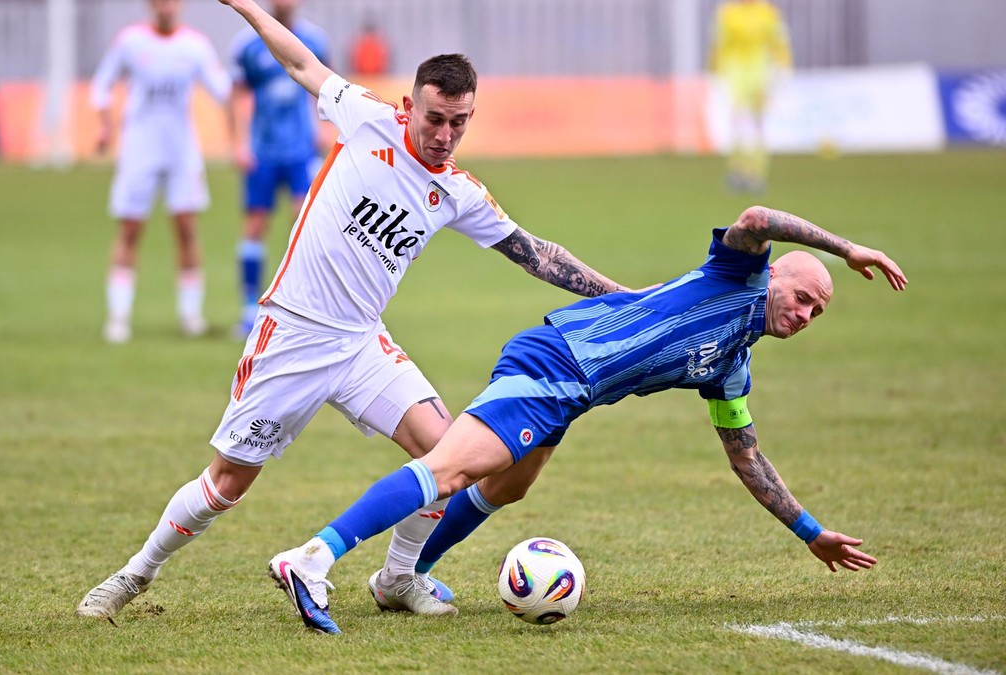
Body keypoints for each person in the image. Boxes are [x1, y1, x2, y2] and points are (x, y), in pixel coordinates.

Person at [76, 0, 632, 623]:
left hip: (362, 343)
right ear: (407, 106)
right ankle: (135, 574)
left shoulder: (458, 191)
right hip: (292, 332)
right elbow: (299, 61)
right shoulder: (367, 119)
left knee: (448, 457)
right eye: (435, 119)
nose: (444, 135)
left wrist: (631, 301)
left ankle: (397, 579)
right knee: (226, 484)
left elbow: (536, 254)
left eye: (459, 123)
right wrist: (245, 7)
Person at [268, 205, 908, 634]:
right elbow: (756, 216)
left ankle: (398, 579)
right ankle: (315, 558)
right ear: (775, 276)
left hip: (573, 391)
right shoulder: (737, 274)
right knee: (453, 468)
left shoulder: (731, 370)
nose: (803, 316)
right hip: (556, 360)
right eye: (802, 298)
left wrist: (810, 532)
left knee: (508, 485)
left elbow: (747, 457)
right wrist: (847, 247)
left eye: (815, 315)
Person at [92, 0, 232, 344]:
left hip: (181, 151)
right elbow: (101, 85)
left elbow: (223, 90)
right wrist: (106, 126)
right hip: (139, 149)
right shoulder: (130, 42)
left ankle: (190, 316)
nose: (166, 6)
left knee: (186, 228)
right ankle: (118, 317)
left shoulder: (195, 45)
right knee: (130, 229)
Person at [227, 0, 330, 338]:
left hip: (301, 150)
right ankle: (247, 310)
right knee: (255, 225)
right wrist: (239, 143)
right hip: (263, 151)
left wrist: (323, 129)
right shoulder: (247, 44)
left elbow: (325, 88)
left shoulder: (315, 40)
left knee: (304, 222)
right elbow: (238, 95)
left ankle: (303, 308)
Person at [707, 0, 792, 194]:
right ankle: (737, 171)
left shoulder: (768, 12)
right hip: (735, 73)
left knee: (757, 123)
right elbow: (719, 44)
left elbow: (779, 42)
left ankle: (757, 173)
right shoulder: (728, 13)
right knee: (737, 123)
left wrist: (783, 67)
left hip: (760, 72)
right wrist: (713, 70)